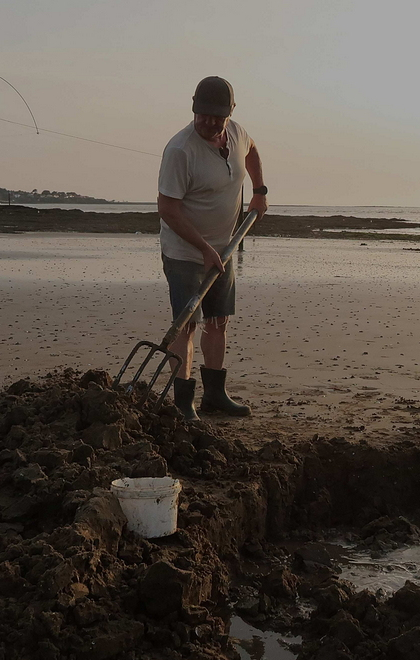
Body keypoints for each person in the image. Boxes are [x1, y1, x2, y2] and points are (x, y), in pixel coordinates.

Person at [157, 76, 267, 421]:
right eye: (201, 114)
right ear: (194, 107)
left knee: (218, 320)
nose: (207, 122)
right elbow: (168, 209)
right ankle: (183, 401)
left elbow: (252, 150)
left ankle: (215, 396)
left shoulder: (236, 133)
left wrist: (259, 191)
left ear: (229, 113)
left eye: (216, 117)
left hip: (223, 248)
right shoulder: (180, 151)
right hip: (185, 253)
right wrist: (203, 248)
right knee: (186, 324)